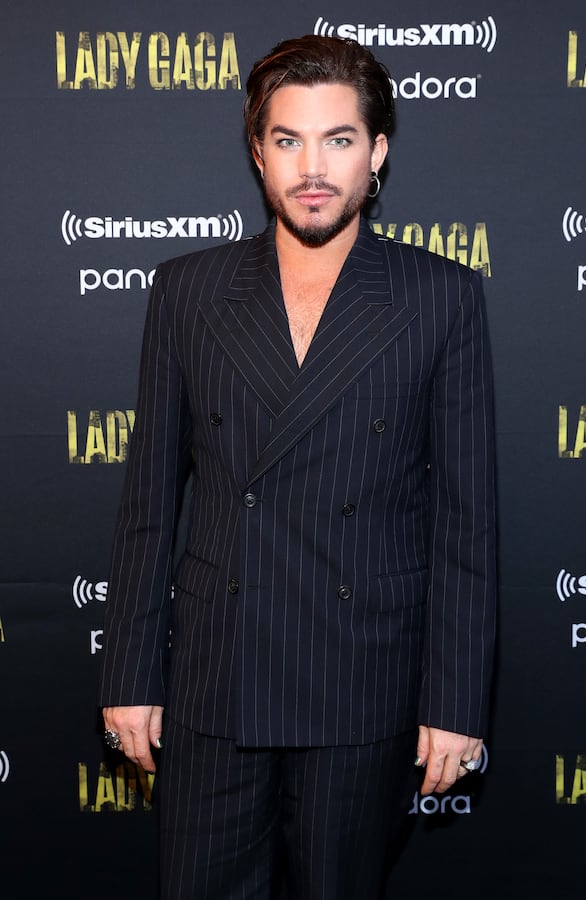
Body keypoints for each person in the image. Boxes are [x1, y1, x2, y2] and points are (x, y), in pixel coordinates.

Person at [100, 34, 496, 900]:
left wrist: (457, 703)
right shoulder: (187, 291)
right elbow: (148, 500)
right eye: (288, 140)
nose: (312, 168)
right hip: (214, 682)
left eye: (338, 139)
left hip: (364, 683)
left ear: (377, 153)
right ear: (257, 151)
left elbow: (467, 523)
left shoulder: (440, 297)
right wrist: (131, 673)